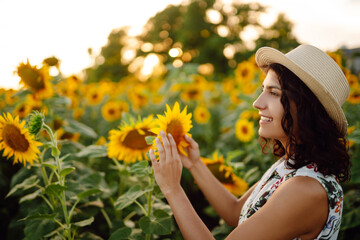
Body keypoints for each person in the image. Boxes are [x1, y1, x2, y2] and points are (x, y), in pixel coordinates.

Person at [149, 44, 351, 240]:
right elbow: (235, 212)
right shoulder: (291, 166)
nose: (257, 103)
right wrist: (194, 164)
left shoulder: (305, 190)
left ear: (306, 108)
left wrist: (172, 190)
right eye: (263, 89)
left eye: (273, 93)